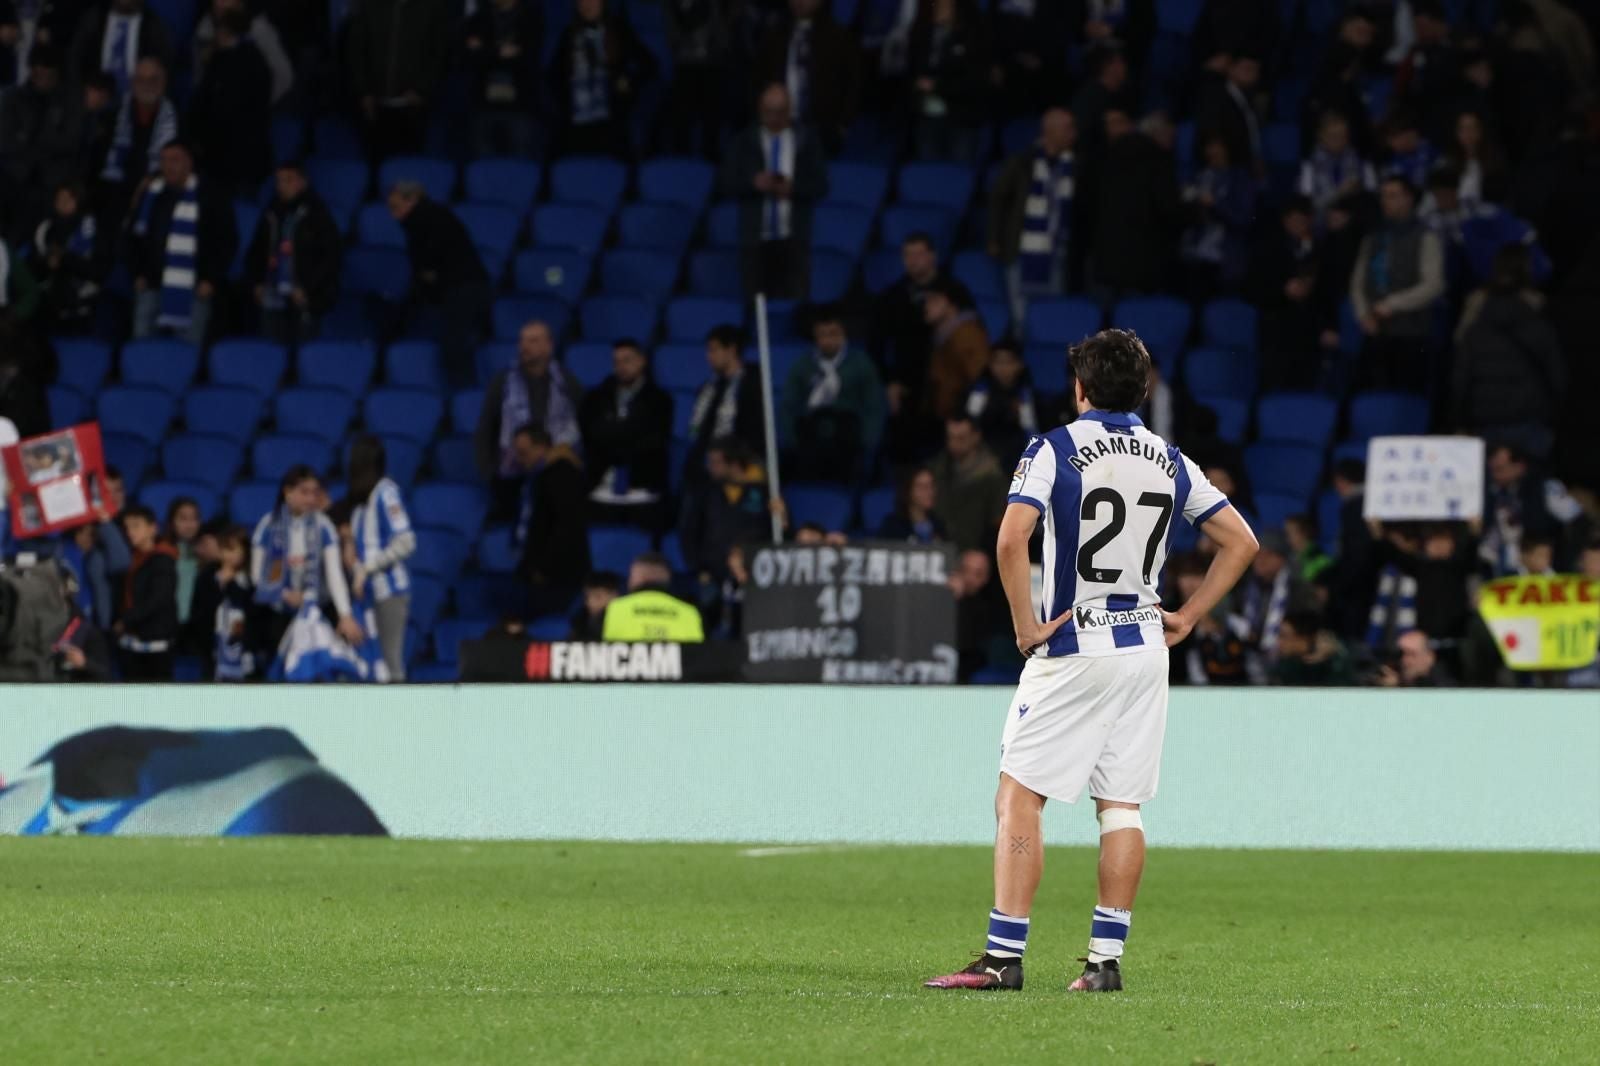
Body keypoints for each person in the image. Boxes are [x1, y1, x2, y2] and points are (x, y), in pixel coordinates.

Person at [924, 328, 1258, 994]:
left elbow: (1011, 540)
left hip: (1077, 643)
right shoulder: (1170, 458)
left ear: (1079, 389)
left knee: (1019, 796)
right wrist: (1188, 617)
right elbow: (1241, 542)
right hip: (1143, 649)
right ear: (1145, 390)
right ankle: (1104, 964)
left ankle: (1002, 959)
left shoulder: (1054, 448)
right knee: (1122, 807)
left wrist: (1024, 624)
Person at [1451, 245, 1564, 458]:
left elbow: (1461, 374)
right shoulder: (1536, 310)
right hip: (1529, 416)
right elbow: (1556, 374)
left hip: (1485, 416)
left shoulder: (1477, 314)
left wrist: (1459, 419)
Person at [722, 81, 828, 301]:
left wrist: (793, 189)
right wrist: (754, 183)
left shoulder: (806, 141)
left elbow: (821, 185)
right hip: (755, 239)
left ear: (789, 111)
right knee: (755, 306)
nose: (774, 118)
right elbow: (726, 182)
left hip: (794, 238)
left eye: (780, 112)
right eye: (768, 111)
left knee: (797, 303)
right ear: (760, 110)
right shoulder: (744, 141)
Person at [125, 140, 237, 346]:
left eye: (175, 160)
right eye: (164, 160)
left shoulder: (210, 196)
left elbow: (226, 242)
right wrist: (137, 273)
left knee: (186, 352)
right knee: (142, 347)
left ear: (189, 163)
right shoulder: (151, 195)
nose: (168, 166)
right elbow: (133, 238)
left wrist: (210, 279)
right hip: (152, 284)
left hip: (192, 287)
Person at [250, 465, 364, 659]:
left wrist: (345, 615)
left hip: (318, 609)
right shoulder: (267, 525)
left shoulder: (324, 526)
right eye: (304, 492)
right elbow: (256, 574)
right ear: (287, 492)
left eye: (315, 493)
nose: (311, 499)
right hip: (280, 611)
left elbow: (334, 575)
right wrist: (286, 595)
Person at [475, 319, 584, 519]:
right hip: (511, 477)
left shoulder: (566, 382)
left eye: (533, 341)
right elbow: (486, 429)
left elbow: (584, 424)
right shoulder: (503, 382)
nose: (524, 346)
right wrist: (490, 474)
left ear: (548, 346)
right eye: (522, 341)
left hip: (556, 474)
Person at [388, 181, 492, 384]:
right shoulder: (432, 217)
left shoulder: (425, 221)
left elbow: (429, 267)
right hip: (465, 287)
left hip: (463, 289)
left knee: (454, 347)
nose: (394, 215)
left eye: (396, 207)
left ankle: (466, 398)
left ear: (413, 200)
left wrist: (427, 281)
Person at [1349, 175, 1444, 393]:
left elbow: (1433, 284)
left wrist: (1392, 305)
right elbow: (1357, 280)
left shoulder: (1425, 236)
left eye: (1392, 196)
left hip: (1411, 334)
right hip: (1375, 332)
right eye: (1383, 196)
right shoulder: (1373, 236)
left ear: (1408, 198)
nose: (1386, 201)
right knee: (1371, 397)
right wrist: (1363, 314)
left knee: (1406, 396)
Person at [988, 107, 1081, 327]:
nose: (1073, 134)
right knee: (1021, 318)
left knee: (1053, 317)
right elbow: (998, 199)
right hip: (1021, 249)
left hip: (1058, 252)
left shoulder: (1076, 166)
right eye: (1068, 128)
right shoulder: (1021, 162)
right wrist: (994, 238)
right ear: (1050, 131)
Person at [778, 308, 884, 482]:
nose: (828, 340)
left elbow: (874, 407)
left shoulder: (861, 364)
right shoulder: (803, 366)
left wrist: (867, 442)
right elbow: (788, 406)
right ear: (815, 336)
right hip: (812, 438)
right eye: (822, 334)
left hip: (849, 438)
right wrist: (793, 441)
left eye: (834, 333)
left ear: (844, 334)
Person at [245, 160, 344, 346]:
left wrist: (308, 289)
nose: (282, 186)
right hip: (272, 295)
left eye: (289, 180)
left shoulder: (318, 213)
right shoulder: (271, 213)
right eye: (279, 180)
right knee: (271, 353)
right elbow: (256, 252)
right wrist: (256, 282)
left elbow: (331, 257)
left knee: (303, 354)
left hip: (304, 298)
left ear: (302, 182)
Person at [1088, 108, 1182, 298]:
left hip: (1104, 259)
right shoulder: (1158, 159)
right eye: (1171, 138)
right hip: (1141, 265)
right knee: (1136, 321)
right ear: (1159, 134)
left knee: (1104, 322)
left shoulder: (1105, 155)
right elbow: (1169, 210)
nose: (1173, 145)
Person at [579, 339, 673, 528]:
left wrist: (613, 432)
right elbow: (592, 436)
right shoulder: (596, 398)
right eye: (617, 362)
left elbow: (653, 442)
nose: (621, 366)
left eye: (627, 360)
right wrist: (628, 431)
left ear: (641, 361)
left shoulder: (660, 400)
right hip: (600, 483)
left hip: (644, 484)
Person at [546, 0, 656, 159]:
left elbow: (650, 64)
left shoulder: (619, 30)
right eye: (582, 2)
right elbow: (553, 76)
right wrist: (566, 99)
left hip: (610, 117)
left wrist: (628, 82)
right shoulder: (569, 34)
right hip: (576, 118)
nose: (587, 5)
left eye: (592, 1)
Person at [347, 435, 416, 682]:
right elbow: (359, 548)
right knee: (370, 665)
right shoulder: (360, 504)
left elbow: (406, 541)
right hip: (367, 595)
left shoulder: (386, 493)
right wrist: (358, 570)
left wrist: (367, 568)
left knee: (390, 662)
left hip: (390, 593)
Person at [751, 0, 860, 155]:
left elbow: (852, 83)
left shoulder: (839, 37)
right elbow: (758, 78)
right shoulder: (774, 34)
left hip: (822, 128)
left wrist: (843, 123)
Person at [347, 0, 452, 160]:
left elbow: (439, 54)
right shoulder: (368, 6)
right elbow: (356, 53)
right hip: (375, 105)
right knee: (376, 165)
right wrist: (363, 92)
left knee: (410, 167)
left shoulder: (432, 7)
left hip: (413, 104)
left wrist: (422, 89)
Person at [185, 8, 271, 198]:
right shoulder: (219, 59)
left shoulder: (251, 62)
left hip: (242, 162)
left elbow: (242, 112)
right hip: (216, 159)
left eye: (221, 31)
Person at [0, 45, 82, 236]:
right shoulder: (14, 97)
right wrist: (39, 141)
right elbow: (4, 141)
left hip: (50, 184)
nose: (43, 75)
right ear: (31, 69)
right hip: (13, 178)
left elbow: (70, 141)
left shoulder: (69, 102)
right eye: (39, 68)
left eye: (48, 70)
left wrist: (28, 138)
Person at [510, 425, 590, 617]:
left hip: (556, 574)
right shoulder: (540, 475)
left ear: (541, 447)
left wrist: (543, 568)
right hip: (541, 570)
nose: (519, 459)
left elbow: (567, 526)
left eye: (523, 452)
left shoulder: (562, 474)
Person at [903, 0, 989, 163]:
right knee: (928, 174)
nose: (939, 9)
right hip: (927, 116)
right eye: (937, 4)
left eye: (945, 5)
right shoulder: (923, 34)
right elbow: (913, 70)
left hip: (962, 117)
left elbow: (975, 80)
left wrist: (937, 86)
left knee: (958, 176)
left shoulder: (973, 37)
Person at [679, 436, 770, 587]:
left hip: (753, 574)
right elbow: (690, 531)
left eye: (716, 463)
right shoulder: (706, 493)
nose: (710, 468)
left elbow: (770, 530)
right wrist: (698, 569)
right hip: (712, 577)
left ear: (734, 465)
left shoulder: (763, 491)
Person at [463, 0, 543, 158]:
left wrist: (486, 49)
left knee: (520, 169)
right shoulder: (479, 18)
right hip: (483, 105)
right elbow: (469, 57)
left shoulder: (531, 16)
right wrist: (500, 51)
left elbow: (528, 58)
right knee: (482, 171)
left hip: (520, 106)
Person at [1180, 135, 1257, 298]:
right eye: (1209, 146)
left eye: (1218, 146)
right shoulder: (1201, 176)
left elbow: (1244, 220)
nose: (1213, 151)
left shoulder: (1240, 178)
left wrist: (1215, 204)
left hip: (1227, 260)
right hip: (1197, 257)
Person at [685, 324, 764, 476]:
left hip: (739, 464)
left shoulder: (754, 384)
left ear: (731, 350)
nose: (709, 356)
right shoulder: (709, 388)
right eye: (708, 350)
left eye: (714, 350)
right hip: (709, 463)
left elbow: (755, 432)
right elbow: (698, 432)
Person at [96, 56, 177, 204]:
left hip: (157, 194)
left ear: (163, 83)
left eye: (153, 79)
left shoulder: (175, 119)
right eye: (141, 79)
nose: (146, 85)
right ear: (133, 83)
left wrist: (153, 178)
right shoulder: (112, 116)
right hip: (113, 195)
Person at [660, 0, 734, 159]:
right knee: (680, 119)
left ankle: (711, 161)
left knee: (713, 113)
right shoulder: (670, 4)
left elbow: (723, 40)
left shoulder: (716, 4)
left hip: (712, 67)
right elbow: (673, 40)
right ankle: (681, 162)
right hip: (684, 67)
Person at [114, 503, 178, 681]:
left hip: (155, 645)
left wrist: (125, 620)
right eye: (126, 527)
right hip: (131, 643)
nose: (130, 532)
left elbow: (157, 599)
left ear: (152, 528)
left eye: (136, 525)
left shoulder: (163, 560)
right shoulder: (129, 559)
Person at [927, 413, 1008, 553]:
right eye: (950, 437)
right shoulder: (936, 470)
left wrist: (983, 554)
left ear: (976, 437)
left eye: (961, 438)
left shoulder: (993, 477)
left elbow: (998, 525)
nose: (954, 444)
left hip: (977, 557)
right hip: (939, 550)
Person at [32, 182, 105, 333]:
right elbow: (33, 265)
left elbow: (97, 270)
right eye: (59, 199)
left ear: (78, 201)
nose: (63, 204)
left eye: (68, 199)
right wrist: (47, 263)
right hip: (49, 302)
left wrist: (64, 257)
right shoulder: (46, 228)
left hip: (82, 303)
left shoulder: (91, 228)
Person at [193, 0, 294, 105]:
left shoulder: (258, 29)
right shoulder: (205, 28)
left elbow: (284, 77)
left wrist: (255, 105)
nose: (219, 3)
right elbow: (199, 79)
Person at [188, 524, 256, 680]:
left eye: (233, 549)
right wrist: (220, 585)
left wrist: (231, 584)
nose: (227, 555)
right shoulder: (207, 576)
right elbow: (200, 610)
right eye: (224, 549)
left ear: (245, 552)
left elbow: (250, 611)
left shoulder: (251, 579)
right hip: (212, 648)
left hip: (243, 650)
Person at [67, 0, 175, 96]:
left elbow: (164, 67)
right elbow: (75, 58)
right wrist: (84, 90)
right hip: (95, 95)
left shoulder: (153, 24)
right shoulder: (96, 17)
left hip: (137, 100)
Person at [921, 278, 989, 423]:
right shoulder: (944, 334)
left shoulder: (967, 335)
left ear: (952, 304)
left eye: (934, 300)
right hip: (945, 416)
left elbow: (979, 380)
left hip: (959, 419)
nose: (926, 306)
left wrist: (966, 418)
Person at [1296, 111, 1376, 229]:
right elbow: (1307, 205)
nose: (1339, 140)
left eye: (1343, 136)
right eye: (1333, 136)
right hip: (1321, 227)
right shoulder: (1309, 166)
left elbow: (1374, 196)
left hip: (1355, 225)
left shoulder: (1361, 161)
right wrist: (1338, 193)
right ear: (1320, 135)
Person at [601, 552, 704, 642]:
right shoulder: (690, 612)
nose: (629, 581)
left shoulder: (614, 609)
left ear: (641, 576)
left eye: (631, 575)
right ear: (667, 577)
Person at [964, 342, 1040, 462]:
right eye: (998, 362)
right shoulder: (979, 390)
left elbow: (1031, 432)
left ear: (1019, 365)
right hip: (981, 455)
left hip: (1017, 457)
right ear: (990, 365)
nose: (1003, 368)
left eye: (1008, 362)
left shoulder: (1027, 396)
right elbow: (969, 424)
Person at [1193, 52, 1264, 176]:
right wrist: (1215, 149)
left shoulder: (1249, 99)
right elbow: (1210, 124)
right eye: (1247, 69)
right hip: (1223, 165)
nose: (1252, 74)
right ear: (1231, 69)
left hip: (1243, 165)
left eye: (1255, 70)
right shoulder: (1216, 93)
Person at [1269, 609, 1353, 686]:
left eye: (1284, 636)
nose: (1278, 642)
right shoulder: (1285, 666)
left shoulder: (1334, 663)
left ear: (1304, 638)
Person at [162, 495, 203, 641]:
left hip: (194, 627)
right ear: (172, 522)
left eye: (194, 519)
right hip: (168, 625)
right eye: (183, 519)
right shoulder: (163, 551)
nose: (189, 525)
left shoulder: (204, 552)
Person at [877, 466, 947, 544]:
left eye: (931, 485)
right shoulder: (893, 526)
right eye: (922, 487)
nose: (929, 492)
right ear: (908, 491)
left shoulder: (939, 525)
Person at [1375, 628, 1454, 687]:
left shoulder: (1446, 688)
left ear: (1429, 657)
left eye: (1412, 654)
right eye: (1401, 654)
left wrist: (1398, 686)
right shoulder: (1392, 675)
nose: (1404, 660)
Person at [569, 570, 620, 640]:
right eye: (587, 597)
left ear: (614, 596)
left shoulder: (623, 622)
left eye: (597, 597)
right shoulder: (579, 623)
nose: (590, 602)